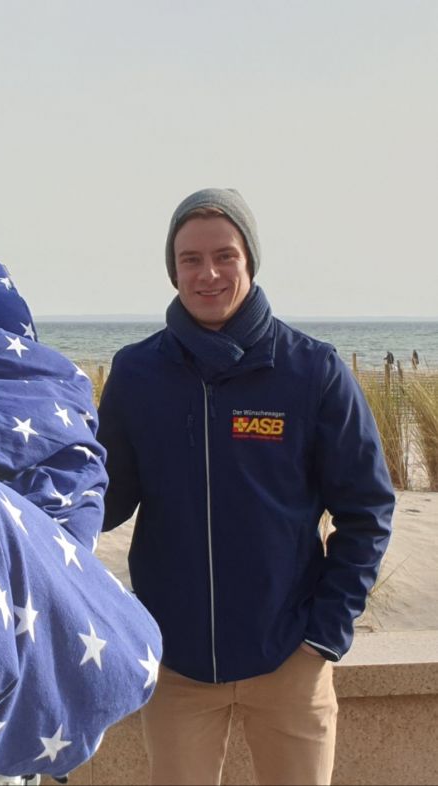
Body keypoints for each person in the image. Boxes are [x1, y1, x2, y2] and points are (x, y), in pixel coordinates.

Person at [97, 188, 395, 785]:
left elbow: (367, 510)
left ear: (250, 261)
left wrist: (325, 633)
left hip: (290, 660)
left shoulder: (313, 370)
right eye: (190, 259)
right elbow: (105, 500)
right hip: (176, 663)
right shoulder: (136, 372)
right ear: (172, 267)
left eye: (224, 255)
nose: (207, 273)